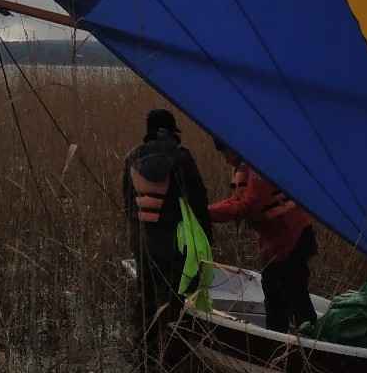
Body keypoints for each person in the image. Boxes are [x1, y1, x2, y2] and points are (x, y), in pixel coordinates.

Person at [123, 108, 213, 365]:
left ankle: (144, 355)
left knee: (146, 297)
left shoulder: (131, 157)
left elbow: (127, 204)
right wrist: (205, 242)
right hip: (173, 242)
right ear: (172, 131)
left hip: (141, 240)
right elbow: (199, 202)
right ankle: (172, 359)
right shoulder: (181, 156)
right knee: (174, 300)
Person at [207, 137, 318, 332]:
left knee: (292, 292)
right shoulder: (245, 168)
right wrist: (207, 210)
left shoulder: (256, 166)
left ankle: (310, 341)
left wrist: (208, 213)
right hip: (276, 242)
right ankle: (276, 338)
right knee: (274, 293)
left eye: (225, 153)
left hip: (292, 237)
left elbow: (250, 205)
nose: (224, 159)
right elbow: (237, 201)